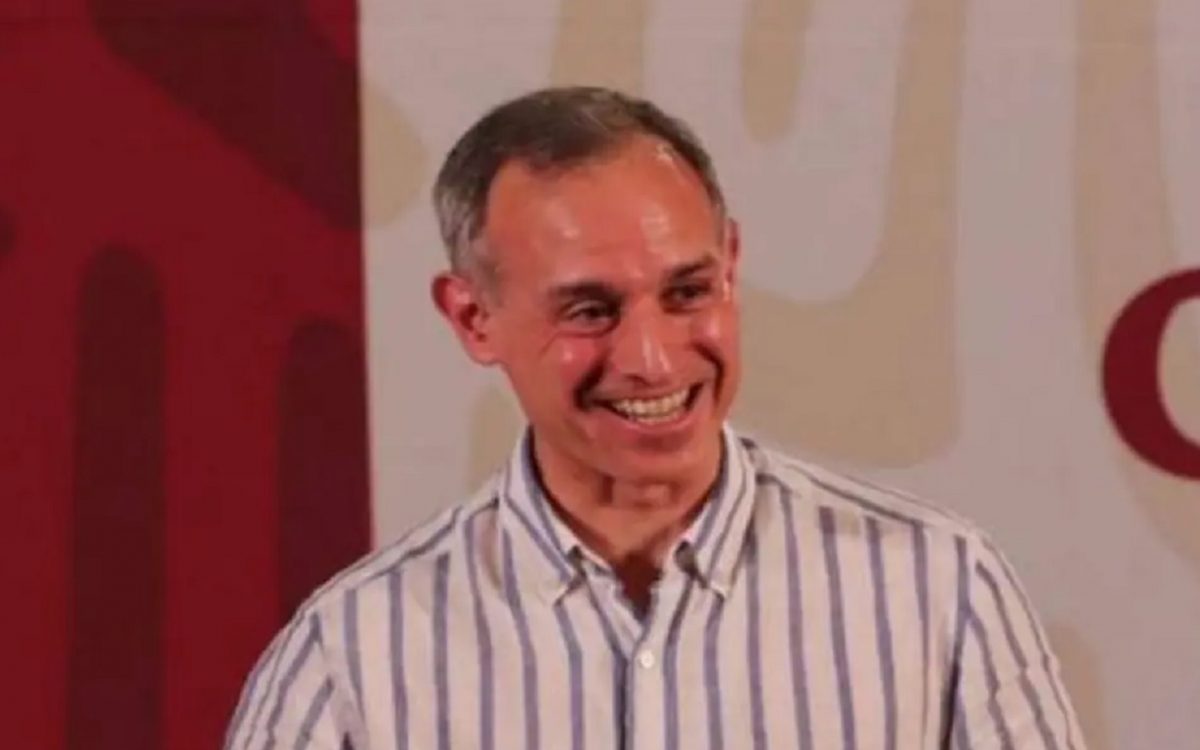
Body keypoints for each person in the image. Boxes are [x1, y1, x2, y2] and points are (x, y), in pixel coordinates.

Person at [224, 86, 1085, 749]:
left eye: (687, 292)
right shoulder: (352, 660)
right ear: (473, 318)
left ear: (732, 267)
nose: (653, 358)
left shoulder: (938, 590)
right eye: (589, 310)